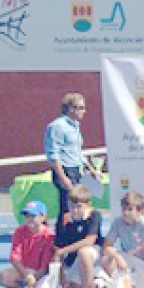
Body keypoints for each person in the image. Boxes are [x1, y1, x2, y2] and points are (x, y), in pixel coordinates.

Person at [53, 184, 103, 288]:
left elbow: (89, 241)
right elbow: (57, 251)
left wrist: (63, 251)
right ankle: (98, 282)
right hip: (73, 260)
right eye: (72, 206)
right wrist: (63, 282)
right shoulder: (63, 219)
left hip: (95, 255)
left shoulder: (94, 215)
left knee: (84, 251)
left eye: (79, 206)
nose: (75, 210)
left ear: (88, 204)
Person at [44, 92, 89, 223]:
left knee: (77, 206)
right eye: (80, 107)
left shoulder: (75, 126)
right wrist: (64, 178)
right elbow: (53, 154)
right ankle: (62, 239)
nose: (84, 111)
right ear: (70, 109)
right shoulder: (57, 126)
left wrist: (90, 168)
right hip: (65, 170)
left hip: (76, 170)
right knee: (67, 207)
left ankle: (76, 234)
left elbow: (77, 151)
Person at [0, 201, 55, 288]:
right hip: (25, 271)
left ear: (43, 217)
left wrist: (35, 277)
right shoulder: (19, 232)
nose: (29, 219)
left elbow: (45, 266)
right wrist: (27, 275)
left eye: (33, 216)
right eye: (27, 216)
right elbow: (15, 258)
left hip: (42, 274)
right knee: (4, 277)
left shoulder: (49, 236)